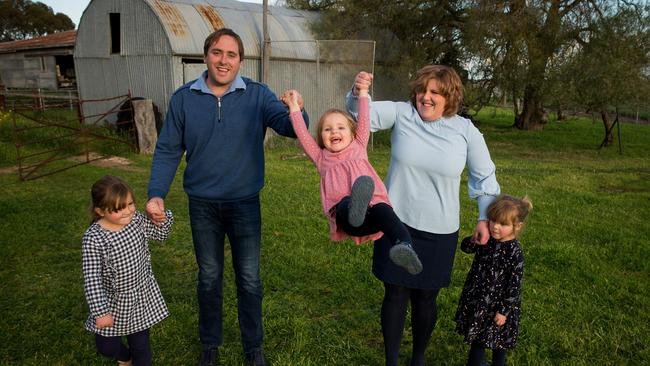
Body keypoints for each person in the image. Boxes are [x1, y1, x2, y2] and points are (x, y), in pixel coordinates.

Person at [145, 28, 309, 366]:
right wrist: (156, 193)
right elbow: (167, 150)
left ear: (240, 61)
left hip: (244, 203)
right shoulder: (183, 99)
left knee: (249, 278)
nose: (224, 60)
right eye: (217, 52)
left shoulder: (257, 95)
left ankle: (254, 348)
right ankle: (210, 346)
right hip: (202, 204)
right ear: (206, 56)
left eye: (231, 54)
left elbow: (291, 128)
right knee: (209, 276)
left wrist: (297, 111)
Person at [346, 66, 500, 366]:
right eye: (421, 90)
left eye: (434, 93)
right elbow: (358, 114)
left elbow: (485, 177)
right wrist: (357, 92)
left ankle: (418, 358)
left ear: (449, 97)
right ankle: (391, 360)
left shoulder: (465, 131)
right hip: (395, 221)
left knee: (425, 297)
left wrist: (483, 218)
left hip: (439, 229)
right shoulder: (402, 113)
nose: (425, 98)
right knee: (395, 292)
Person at [280, 85, 422, 275]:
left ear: (353, 132)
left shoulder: (359, 146)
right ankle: (356, 207)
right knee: (346, 203)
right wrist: (293, 107)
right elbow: (303, 135)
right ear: (321, 137)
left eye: (340, 127)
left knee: (385, 211)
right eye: (327, 129)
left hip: (373, 212)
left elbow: (364, 119)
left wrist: (363, 92)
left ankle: (404, 246)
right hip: (347, 217)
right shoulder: (321, 158)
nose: (334, 132)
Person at [82, 175, 174, 366]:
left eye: (130, 204)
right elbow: (92, 279)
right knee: (106, 346)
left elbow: (161, 235)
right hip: (113, 300)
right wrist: (101, 312)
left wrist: (160, 218)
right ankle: (124, 357)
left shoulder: (137, 221)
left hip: (141, 295)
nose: (127, 211)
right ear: (100, 211)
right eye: (118, 208)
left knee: (141, 346)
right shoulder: (93, 238)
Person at [455, 195, 531, 366]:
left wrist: (504, 311)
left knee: (499, 344)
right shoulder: (488, 240)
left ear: (517, 227)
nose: (495, 227)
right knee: (478, 341)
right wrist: (474, 239)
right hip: (480, 300)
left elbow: (514, 285)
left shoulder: (514, 252)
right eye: (493, 220)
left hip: (499, 307)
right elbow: (465, 248)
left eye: (503, 224)